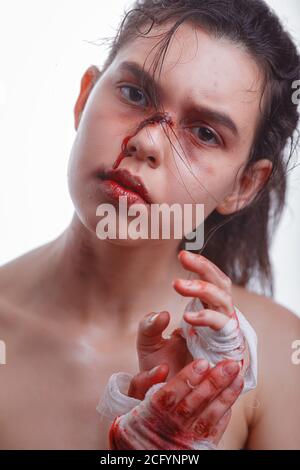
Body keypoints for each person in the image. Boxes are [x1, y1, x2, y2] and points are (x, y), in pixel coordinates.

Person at [0, 0, 299, 450]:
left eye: (203, 133)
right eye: (135, 94)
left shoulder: (279, 360)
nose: (145, 141)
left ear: (243, 184)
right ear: (85, 97)